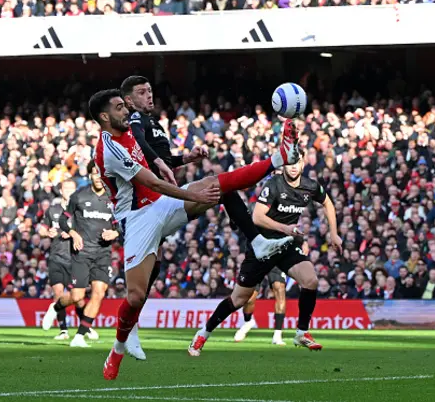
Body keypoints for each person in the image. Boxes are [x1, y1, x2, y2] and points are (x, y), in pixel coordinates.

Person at [89, 89, 299, 380]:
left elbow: (156, 163)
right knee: (136, 297)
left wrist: (183, 162)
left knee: (217, 184)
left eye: (126, 106)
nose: (126, 111)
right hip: (137, 219)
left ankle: (279, 158)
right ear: (104, 116)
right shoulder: (109, 149)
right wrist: (189, 193)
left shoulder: (131, 131)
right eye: (119, 107)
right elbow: (154, 182)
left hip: (160, 205)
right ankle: (118, 348)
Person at [187, 155, 342, 357]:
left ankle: (301, 332)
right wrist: (285, 228)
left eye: (297, 163)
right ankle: (203, 333)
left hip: (286, 246)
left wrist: (334, 232)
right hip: (263, 246)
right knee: (238, 299)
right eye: (290, 163)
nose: (293, 167)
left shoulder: (310, 186)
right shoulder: (274, 184)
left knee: (310, 280)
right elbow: (257, 217)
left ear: (303, 164)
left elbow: (328, 202)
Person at [41, 164, 120, 348]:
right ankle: (56, 306)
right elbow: (62, 219)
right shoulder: (79, 196)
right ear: (90, 175)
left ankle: (79, 336)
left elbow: (121, 225)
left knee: (99, 293)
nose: (99, 177)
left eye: (102, 174)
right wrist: (74, 233)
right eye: (95, 173)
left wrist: (115, 234)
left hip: (103, 253)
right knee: (77, 297)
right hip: (81, 253)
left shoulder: (113, 199)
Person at [39, 179, 98, 341]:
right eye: (66, 188)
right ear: (61, 190)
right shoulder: (52, 210)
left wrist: (72, 232)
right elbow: (41, 228)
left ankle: (85, 326)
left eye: (72, 188)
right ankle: (63, 330)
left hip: (75, 258)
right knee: (58, 293)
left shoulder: (80, 210)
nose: (69, 191)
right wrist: (47, 233)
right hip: (57, 257)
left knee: (77, 298)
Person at [233, 267, 288, 346]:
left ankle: (277, 334)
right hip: (259, 261)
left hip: (277, 261)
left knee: (279, 290)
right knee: (249, 299)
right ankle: (248, 322)